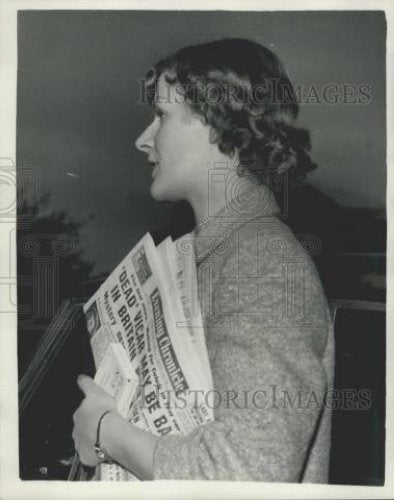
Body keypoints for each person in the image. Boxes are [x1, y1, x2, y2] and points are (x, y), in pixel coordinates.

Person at [72, 38, 334, 482]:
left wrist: (106, 431)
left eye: (160, 115)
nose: (143, 139)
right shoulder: (208, 254)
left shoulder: (262, 262)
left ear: (219, 121)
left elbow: (247, 470)